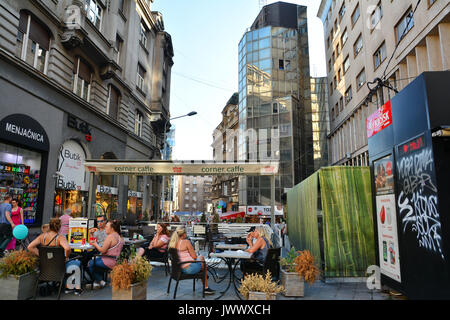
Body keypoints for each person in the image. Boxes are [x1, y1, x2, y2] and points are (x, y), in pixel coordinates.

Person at [27, 218, 83, 294]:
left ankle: (67, 285)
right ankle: (72, 288)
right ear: (59, 227)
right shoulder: (60, 238)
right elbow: (67, 248)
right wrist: (66, 257)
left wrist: (41, 255)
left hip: (45, 268)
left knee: (72, 263)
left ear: (49, 226)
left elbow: (29, 247)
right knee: (76, 263)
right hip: (59, 268)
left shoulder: (42, 237)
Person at [168, 226, 215, 295]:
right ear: (184, 234)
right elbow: (194, 256)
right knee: (202, 260)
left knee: (201, 261)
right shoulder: (186, 242)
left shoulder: (173, 243)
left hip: (179, 269)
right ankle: (205, 286)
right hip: (189, 268)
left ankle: (204, 277)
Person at [87, 220, 124, 289]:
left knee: (90, 263)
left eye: (107, 227)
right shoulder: (119, 236)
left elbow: (102, 250)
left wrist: (95, 244)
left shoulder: (110, 237)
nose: (105, 228)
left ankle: (100, 280)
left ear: (112, 228)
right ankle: (97, 281)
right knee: (96, 260)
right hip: (115, 260)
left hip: (108, 261)